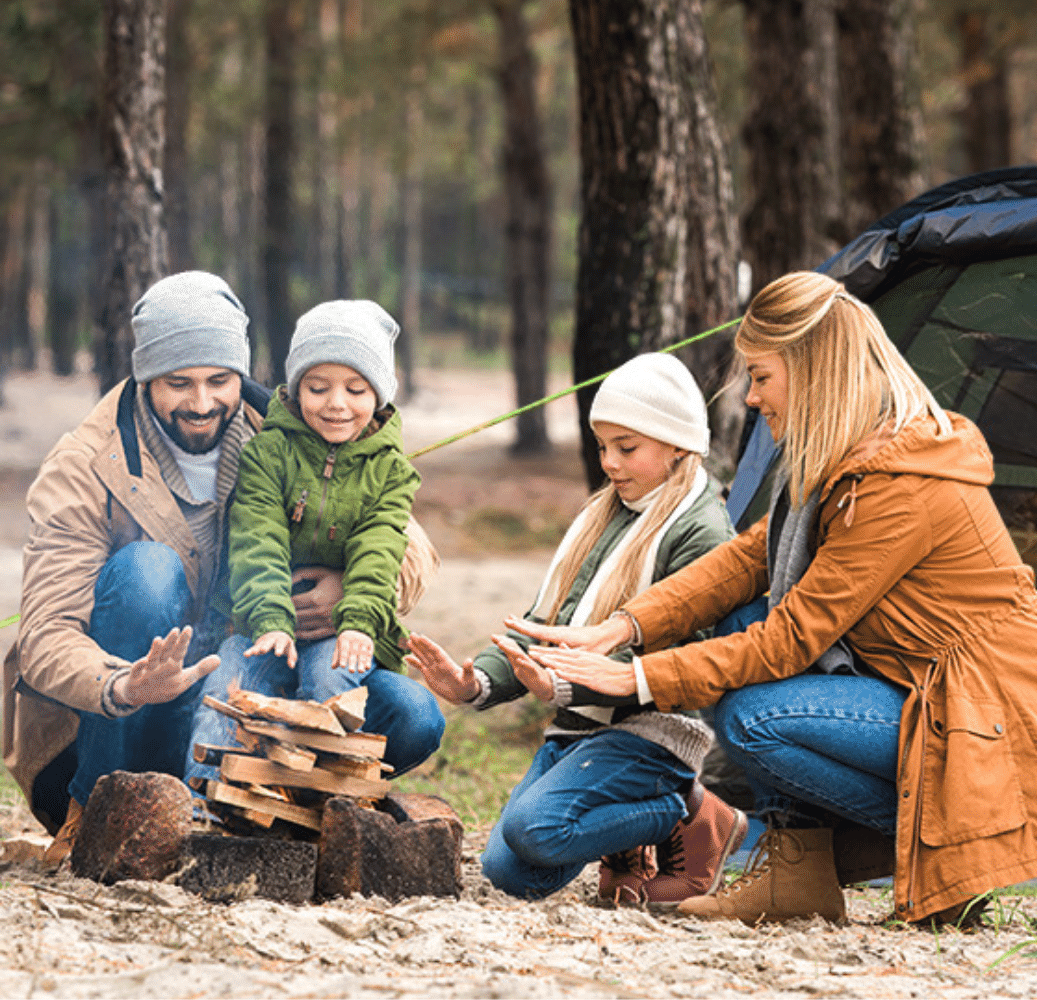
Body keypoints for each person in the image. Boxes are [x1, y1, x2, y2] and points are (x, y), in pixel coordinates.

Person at [507, 271, 1037, 925]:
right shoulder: (839, 458)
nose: (750, 397)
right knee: (741, 616)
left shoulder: (898, 483)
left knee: (755, 716)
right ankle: (797, 874)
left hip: (982, 718)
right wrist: (623, 628)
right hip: (924, 692)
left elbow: (791, 640)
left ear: (813, 368)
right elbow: (746, 561)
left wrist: (635, 678)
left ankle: (952, 850)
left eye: (761, 376)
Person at [2, 273, 435, 862]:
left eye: (219, 380)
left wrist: (343, 592)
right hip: (124, 717)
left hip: (248, 691)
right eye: (178, 382)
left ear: (242, 374)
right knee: (147, 571)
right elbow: (46, 635)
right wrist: (123, 685)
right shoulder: (83, 464)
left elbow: (409, 545)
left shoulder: (291, 428)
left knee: (412, 715)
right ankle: (95, 811)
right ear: (145, 376)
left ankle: (274, 810)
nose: (202, 403)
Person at [404, 353, 746, 903]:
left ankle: (691, 813)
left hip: (650, 735)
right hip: (577, 728)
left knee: (535, 831)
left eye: (626, 448)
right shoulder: (603, 515)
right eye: (602, 446)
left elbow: (692, 656)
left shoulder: (701, 531)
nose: (609, 463)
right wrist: (476, 682)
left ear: (679, 445)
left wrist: (567, 682)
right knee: (510, 872)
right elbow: (544, 625)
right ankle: (624, 838)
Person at [188, 300, 444, 790]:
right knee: (227, 685)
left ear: (379, 394)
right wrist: (271, 618)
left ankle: (315, 799)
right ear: (295, 388)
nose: (336, 404)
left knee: (332, 683)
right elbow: (257, 540)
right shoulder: (267, 454)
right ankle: (202, 800)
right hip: (259, 625)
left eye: (355, 389)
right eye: (317, 387)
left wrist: (359, 622)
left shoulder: (390, 472)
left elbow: (379, 550)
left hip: (339, 632)